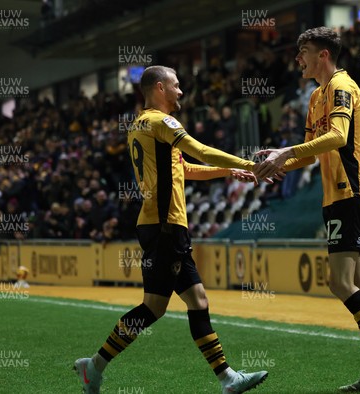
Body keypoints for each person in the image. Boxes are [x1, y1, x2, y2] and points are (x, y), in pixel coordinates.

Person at [74, 65, 273, 394]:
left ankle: (227, 379)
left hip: (163, 225)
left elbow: (185, 168)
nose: (181, 91)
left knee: (197, 300)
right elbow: (201, 150)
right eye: (176, 85)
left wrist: (225, 172)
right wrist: (250, 164)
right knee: (154, 307)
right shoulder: (161, 122)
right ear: (159, 88)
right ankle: (94, 366)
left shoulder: (140, 125)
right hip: (164, 225)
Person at [254, 27, 360, 393]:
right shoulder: (315, 97)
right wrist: (271, 166)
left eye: (305, 51)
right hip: (336, 197)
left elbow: (339, 137)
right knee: (358, 284)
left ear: (324, 54)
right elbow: (310, 151)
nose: (299, 59)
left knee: (339, 282)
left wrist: (286, 152)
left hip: (351, 193)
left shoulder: (343, 87)